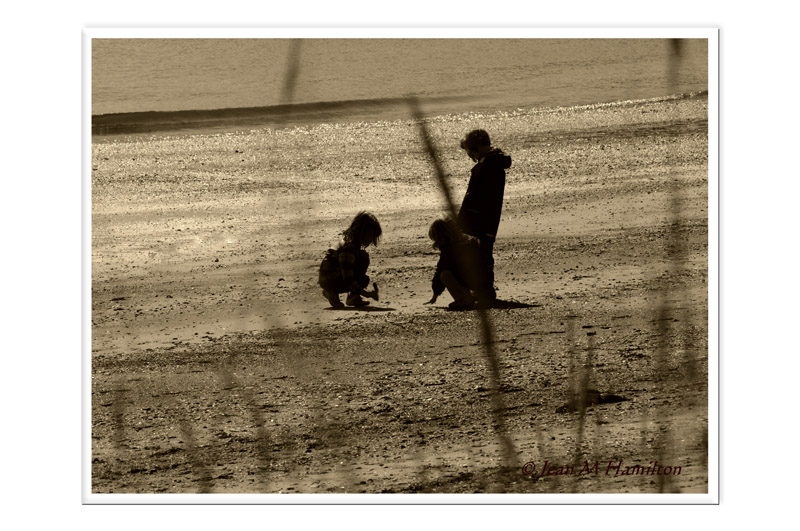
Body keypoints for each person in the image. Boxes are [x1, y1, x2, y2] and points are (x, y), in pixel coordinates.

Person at [457, 129, 512, 306]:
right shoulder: (491, 163)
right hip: (486, 218)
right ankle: (483, 291)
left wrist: (466, 217)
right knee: (482, 255)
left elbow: (478, 197)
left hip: (480, 219)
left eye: (469, 152)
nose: (469, 156)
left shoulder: (488, 166)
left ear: (476, 149)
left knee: (481, 255)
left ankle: (485, 293)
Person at [319, 211, 381, 307]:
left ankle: (353, 297)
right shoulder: (348, 248)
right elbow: (348, 279)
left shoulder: (353, 244)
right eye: (371, 237)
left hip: (334, 275)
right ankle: (331, 293)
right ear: (364, 233)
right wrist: (367, 294)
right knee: (361, 273)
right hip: (329, 279)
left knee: (363, 260)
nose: (372, 241)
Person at [424, 216, 481, 311]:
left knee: (444, 274)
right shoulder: (472, 241)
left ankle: (463, 300)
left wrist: (435, 294)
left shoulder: (449, 250)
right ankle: (473, 295)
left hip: (471, 280)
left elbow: (440, 271)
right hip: (483, 279)